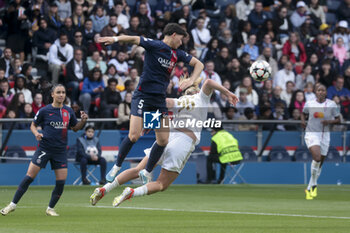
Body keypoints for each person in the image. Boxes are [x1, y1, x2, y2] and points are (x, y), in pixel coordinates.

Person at [89, 78, 238, 206]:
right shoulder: (201, 98)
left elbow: (161, 103)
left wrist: (148, 124)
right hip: (184, 141)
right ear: (197, 90)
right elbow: (209, 82)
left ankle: (105, 189)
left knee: (136, 171)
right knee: (161, 184)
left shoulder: (179, 101)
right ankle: (131, 192)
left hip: (166, 138)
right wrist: (228, 92)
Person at [98, 23, 204, 184]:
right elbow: (134, 39)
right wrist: (115, 38)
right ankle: (117, 166)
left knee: (163, 140)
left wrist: (191, 80)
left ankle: (146, 172)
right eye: (181, 39)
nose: (182, 43)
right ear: (174, 35)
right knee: (134, 136)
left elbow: (199, 64)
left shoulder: (178, 54)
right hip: (143, 96)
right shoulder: (155, 45)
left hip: (158, 101)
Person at [0, 84, 88, 216]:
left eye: (63, 92)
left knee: (61, 182)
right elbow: (33, 125)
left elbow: (75, 128)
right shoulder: (44, 111)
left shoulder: (68, 111)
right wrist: (36, 133)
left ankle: (50, 208)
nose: (61, 95)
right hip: (44, 148)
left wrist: (83, 121)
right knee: (29, 177)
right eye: (58, 92)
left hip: (60, 151)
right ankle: (12, 205)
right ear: (52, 94)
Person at [301, 84, 340, 200]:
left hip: (325, 136)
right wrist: (303, 121)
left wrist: (329, 121)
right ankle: (314, 184)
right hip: (312, 133)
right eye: (318, 90)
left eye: (323, 90)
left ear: (326, 92)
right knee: (317, 158)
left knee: (320, 164)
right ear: (315, 92)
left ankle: (310, 186)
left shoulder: (332, 104)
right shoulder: (309, 103)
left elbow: (338, 119)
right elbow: (303, 113)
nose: (321, 92)